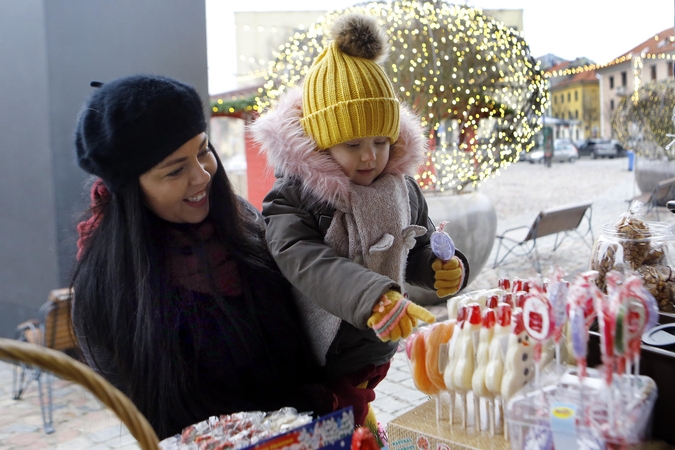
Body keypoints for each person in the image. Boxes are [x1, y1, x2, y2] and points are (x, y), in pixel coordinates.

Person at [70, 74, 336, 439]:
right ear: (131, 189)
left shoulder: (243, 222)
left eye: (203, 151)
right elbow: (139, 405)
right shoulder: (107, 289)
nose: (201, 177)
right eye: (175, 170)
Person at [251, 13, 470, 440]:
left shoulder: (401, 189)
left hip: (374, 346)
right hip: (319, 360)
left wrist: (440, 268)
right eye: (353, 144)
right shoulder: (294, 197)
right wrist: (372, 296)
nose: (370, 156)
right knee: (338, 421)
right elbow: (305, 261)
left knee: (359, 408)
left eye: (381, 142)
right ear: (321, 140)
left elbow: (417, 242)